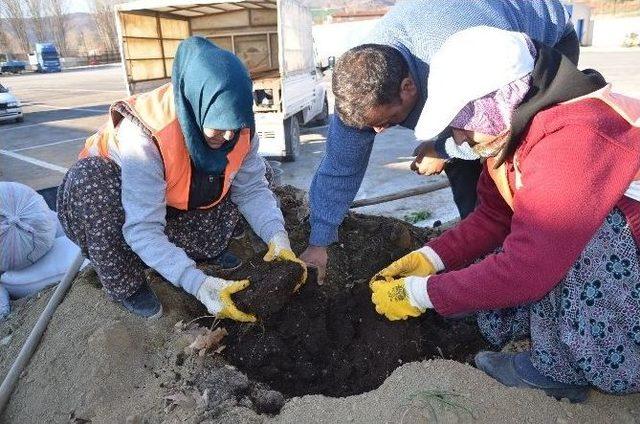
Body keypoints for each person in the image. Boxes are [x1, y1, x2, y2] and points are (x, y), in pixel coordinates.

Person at [370, 26, 640, 402]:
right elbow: (495, 216)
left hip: (625, 258)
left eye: (463, 120)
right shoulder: (517, 129)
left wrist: (421, 294)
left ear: (497, 101)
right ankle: (529, 326)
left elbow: (528, 268)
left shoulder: (575, 138)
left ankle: (562, 369)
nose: (459, 138)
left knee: (575, 236)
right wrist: (429, 260)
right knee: (531, 231)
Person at [301, 0, 580, 282]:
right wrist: (318, 243)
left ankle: (527, 258)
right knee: (469, 175)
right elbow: (339, 168)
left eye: (387, 120)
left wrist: (442, 149)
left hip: (546, 43)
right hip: (459, 50)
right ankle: (483, 258)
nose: (379, 132)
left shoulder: (463, 54)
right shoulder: (360, 91)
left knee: (515, 163)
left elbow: (498, 130)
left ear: (408, 88)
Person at [57, 37, 305, 320]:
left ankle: (203, 250)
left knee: (262, 171)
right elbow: (143, 228)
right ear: (195, 108)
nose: (228, 137)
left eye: (234, 127)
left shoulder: (240, 127)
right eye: (218, 127)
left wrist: (278, 237)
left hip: (174, 195)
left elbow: (251, 191)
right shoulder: (144, 136)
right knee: (91, 183)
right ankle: (128, 284)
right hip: (115, 198)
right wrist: (198, 286)